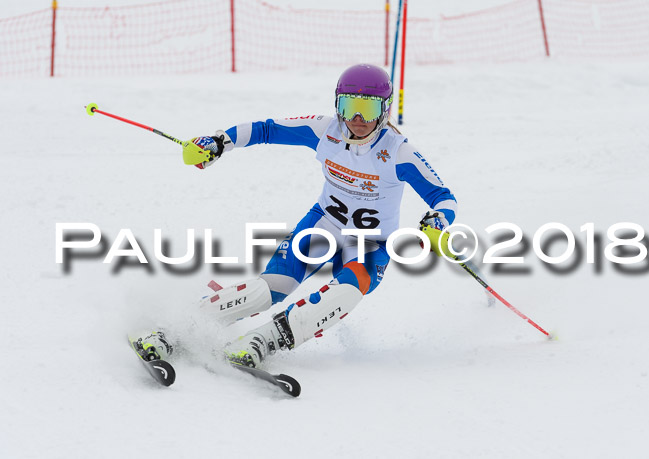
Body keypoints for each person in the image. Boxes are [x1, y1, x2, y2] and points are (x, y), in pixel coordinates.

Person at [136, 64, 458, 369]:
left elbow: (443, 198)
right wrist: (221, 142)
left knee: (347, 290)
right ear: (337, 105)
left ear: (384, 111)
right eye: (349, 106)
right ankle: (172, 330)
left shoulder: (398, 152)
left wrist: (437, 222)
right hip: (323, 225)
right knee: (269, 289)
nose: (358, 118)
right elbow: (268, 130)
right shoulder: (326, 131)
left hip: (370, 245)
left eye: (370, 108)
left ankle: (263, 341)